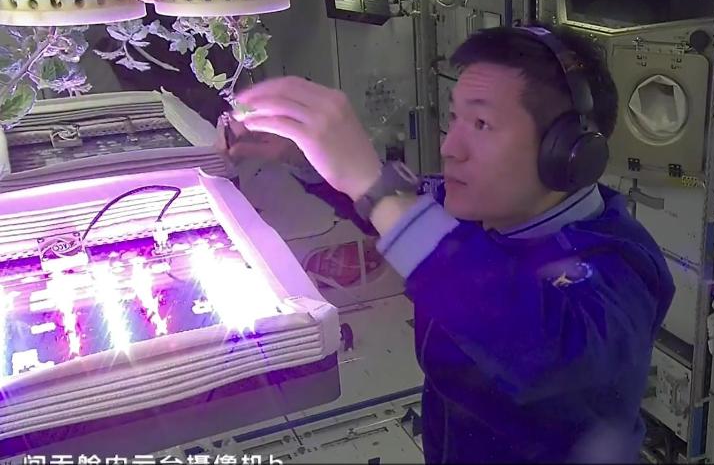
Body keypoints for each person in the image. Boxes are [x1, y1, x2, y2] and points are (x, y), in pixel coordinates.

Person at [221, 25, 676, 463]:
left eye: (481, 123)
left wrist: (373, 184)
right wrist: (299, 156)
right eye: (455, 118)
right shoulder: (481, 213)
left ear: (565, 151)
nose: (450, 148)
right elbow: (397, 210)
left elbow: (535, 343)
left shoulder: (619, 271)